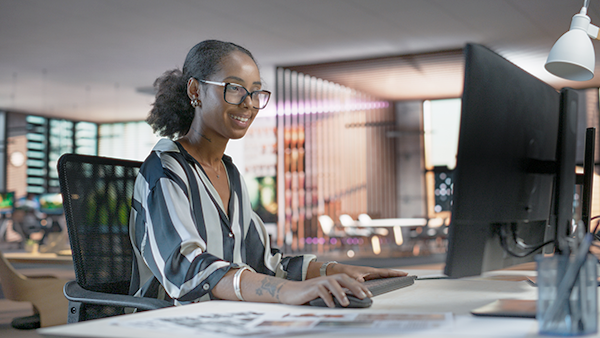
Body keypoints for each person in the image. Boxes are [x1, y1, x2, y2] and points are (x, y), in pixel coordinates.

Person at [129, 40, 406, 308]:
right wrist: (287, 291)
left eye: (255, 92)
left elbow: (265, 264)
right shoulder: (165, 169)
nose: (249, 103)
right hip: (171, 322)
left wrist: (337, 270)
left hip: (229, 317)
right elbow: (186, 270)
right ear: (195, 90)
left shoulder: (230, 173)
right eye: (235, 88)